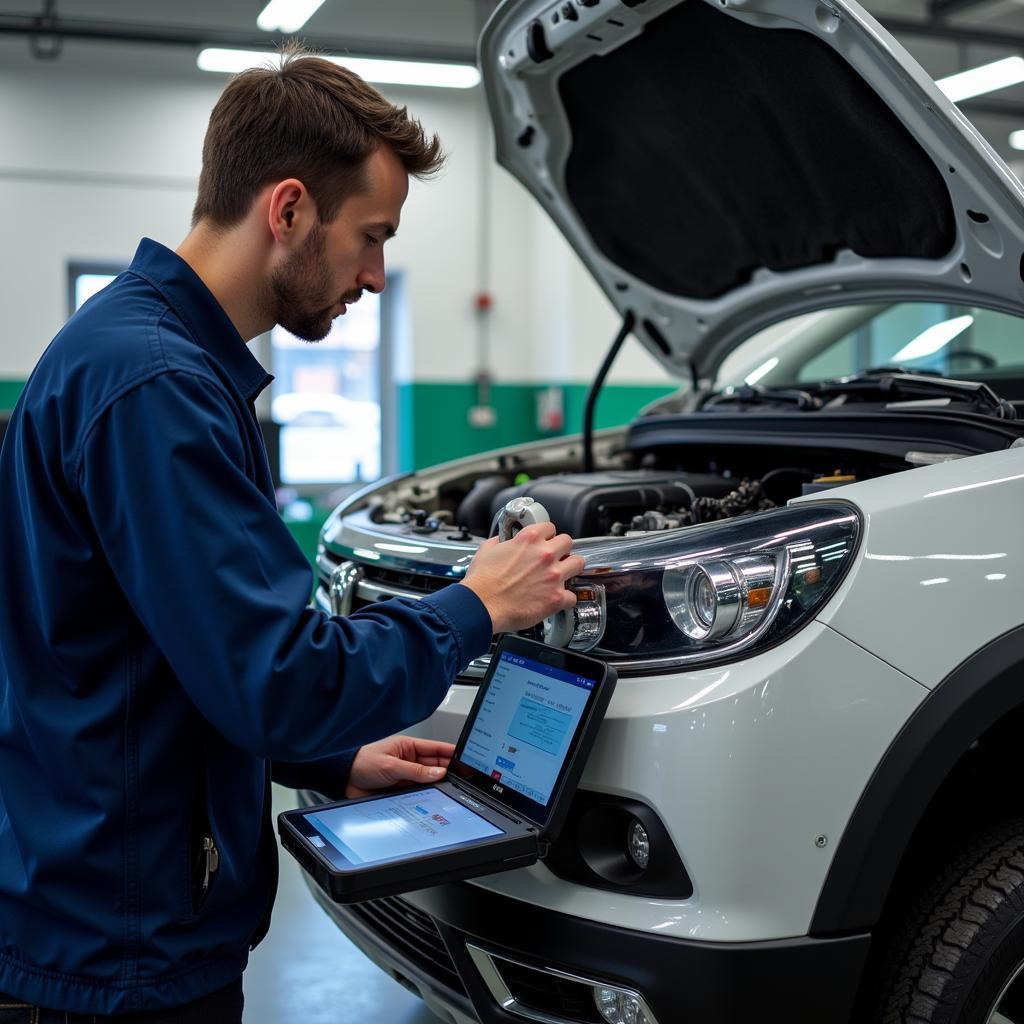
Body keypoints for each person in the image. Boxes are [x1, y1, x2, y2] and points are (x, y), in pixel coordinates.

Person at [0, 49, 584, 1023]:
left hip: (93, 900)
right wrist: (475, 604)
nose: (376, 274)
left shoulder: (129, 353)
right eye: (372, 236)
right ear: (288, 210)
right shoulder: (160, 388)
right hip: (121, 951)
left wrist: (328, 760)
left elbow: (156, 661)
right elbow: (276, 677)